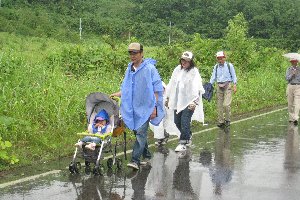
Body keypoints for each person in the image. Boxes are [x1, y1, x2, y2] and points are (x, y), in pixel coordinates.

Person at [110, 42, 164, 170]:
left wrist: (155, 107)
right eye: (130, 53)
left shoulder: (150, 68)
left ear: (141, 53)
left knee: (140, 133)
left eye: (135, 53)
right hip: (132, 108)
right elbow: (127, 88)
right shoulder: (129, 68)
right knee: (138, 132)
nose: (132, 56)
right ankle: (147, 156)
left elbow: (157, 89)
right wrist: (116, 94)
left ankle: (135, 160)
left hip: (146, 107)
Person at [165, 51, 205, 152]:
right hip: (177, 101)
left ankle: (183, 142)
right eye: (182, 60)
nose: (184, 62)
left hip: (189, 102)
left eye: (186, 61)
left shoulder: (194, 71)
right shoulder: (177, 70)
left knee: (184, 121)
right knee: (177, 121)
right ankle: (188, 135)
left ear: (191, 62)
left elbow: (198, 87)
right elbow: (171, 84)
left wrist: (195, 102)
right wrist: (168, 97)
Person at [209, 51, 237, 127]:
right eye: (218, 58)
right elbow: (213, 77)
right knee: (219, 105)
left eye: (221, 58)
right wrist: (210, 85)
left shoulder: (229, 65)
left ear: (224, 58)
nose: (219, 60)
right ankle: (221, 121)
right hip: (219, 86)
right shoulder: (216, 66)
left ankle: (227, 119)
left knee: (226, 105)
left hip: (227, 86)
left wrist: (234, 85)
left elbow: (234, 75)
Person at [149, 81, 180, 146]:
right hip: (155, 110)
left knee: (160, 124)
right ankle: (164, 135)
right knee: (153, 125)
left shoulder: (165, 97)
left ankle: (161, 138)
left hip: (163, 112)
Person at [285, 58, 300, 126]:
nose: (294, 63)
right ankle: (291, 118)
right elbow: (287, 78)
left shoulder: (299, 69)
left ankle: (296, 118)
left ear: (297, 62)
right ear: (291, 62)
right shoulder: (288, 69)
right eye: (292, 62)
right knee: (290, 103)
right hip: (290, 86)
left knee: (297, 103)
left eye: (295, 61)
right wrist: (292, 74)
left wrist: (297, 74)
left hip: (298, 86)